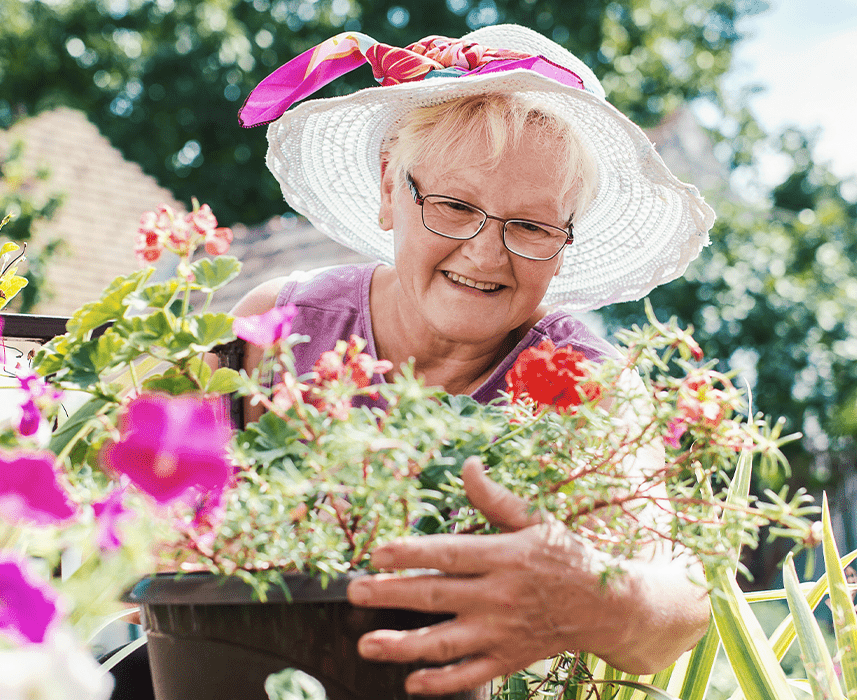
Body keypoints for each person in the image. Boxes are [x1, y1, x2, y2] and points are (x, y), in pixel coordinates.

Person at [221, 23, 723, 696]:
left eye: (532, 226)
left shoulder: (591, 384)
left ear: (566, 238)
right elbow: (152, 541)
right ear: (388, 188)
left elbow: (678, 604)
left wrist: (591, 596)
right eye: (455, 206)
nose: (486, 254)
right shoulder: (277, 329)